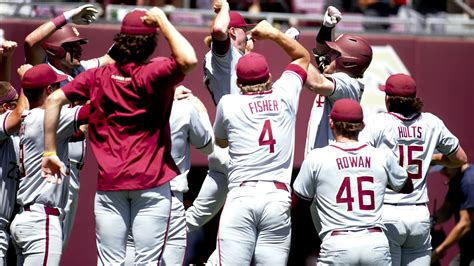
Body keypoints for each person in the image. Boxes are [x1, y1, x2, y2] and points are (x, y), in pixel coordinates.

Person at [41, 7, 197, 265]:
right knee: (147, 262)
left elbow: (55, 98)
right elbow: (189, 59)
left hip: (110, 185)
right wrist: (163, 21)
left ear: (121, 41)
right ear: (150, 43)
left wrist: (49, 152)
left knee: (110, 262)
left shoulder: (97, 76)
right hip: (152, 183)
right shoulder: (155, 72)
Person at [212, 18, 309, 264]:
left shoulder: (229, 103)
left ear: (239, 82)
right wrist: (274, 34)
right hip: (277, 198)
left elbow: (221, 143)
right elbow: (302, 58)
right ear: (269, 77)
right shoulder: (284, 93)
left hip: (242, 195)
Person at [23, 3, 114, 248]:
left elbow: (110, 57)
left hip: (72, 168)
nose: (78, 51)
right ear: (54, 50)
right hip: (50, 163)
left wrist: (134, 30)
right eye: (70, 47)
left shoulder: (80, 69)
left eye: (78, 46)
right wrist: (69, 16)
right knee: (47, 237)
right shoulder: (44, 71)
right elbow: (31, 41)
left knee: (58, 240)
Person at [359, 73, 468, 266]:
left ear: (388, 99)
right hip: (418, 213)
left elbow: (361, 161)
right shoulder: (431, 122)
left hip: (387, 211)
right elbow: (460, 159)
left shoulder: (377, 123)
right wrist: (432, 160)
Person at [293, 99, 413, 265]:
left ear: (331, 123)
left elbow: (298, 203)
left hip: (338, 242)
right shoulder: (380, 156)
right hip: (375, 243)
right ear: (362, 126)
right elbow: (407, 187)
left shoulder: (317, 158)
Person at [124, 86, 214, 265]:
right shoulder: (184, 108)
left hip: (132, 195)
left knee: (127, 256)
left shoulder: (129, 105)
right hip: (170, 196)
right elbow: (208, 146)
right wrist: (201, 110)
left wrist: (165, 93)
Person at [9, 63, 89, 266]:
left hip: (25, 216)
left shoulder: (28, 116)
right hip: (41, 220)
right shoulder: (48, 118)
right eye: (57, 86)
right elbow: (93, 111)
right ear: (49, 90)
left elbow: (79, 132)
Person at [186, 0, 255, 232]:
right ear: (233, 31)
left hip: (222, 148)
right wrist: (224, 6)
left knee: (196, 216)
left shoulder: (230, 57)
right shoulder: (223, 56)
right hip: (237, 146)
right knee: (246, 217)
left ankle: (146, 246)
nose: (250, 33)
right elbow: (218, 32)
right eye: (246, 29)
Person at [304, 5, 373, 154]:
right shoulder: (343, 79)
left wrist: (294, 50)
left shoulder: (346, 83)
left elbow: (315, 82)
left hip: (331, 166)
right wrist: (327, 28)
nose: (328, 56)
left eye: (335, 53)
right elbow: (323, 54)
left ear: (347, 61)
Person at [0, 41, 28, 266]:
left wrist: (6, 60)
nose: (17, 106)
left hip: (9, 226)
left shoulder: (13, 136)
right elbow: (19, 113)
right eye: (12, 105)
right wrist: (28, 80)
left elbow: (4, 90)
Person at [431, 163, 474, 265]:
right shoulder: (456, 179)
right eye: (440, 169)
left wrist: (438, 251)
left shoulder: (470, 181)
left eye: (445, 167)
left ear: (455, 160)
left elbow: (465, 223)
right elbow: (446, 210)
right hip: (467, 250)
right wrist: (431, 221)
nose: (443, 172)